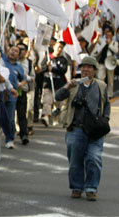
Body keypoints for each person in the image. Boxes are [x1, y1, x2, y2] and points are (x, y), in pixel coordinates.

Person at [55, 56, 110, 201]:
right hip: (76, 127)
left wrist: (105, 120)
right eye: (83, 66)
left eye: (89, 67)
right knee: (75, 161)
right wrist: (67, 87)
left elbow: (107, 105)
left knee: (94, 158)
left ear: (95, 70)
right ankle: (77, 187)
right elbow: (58, 97)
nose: (86, 69)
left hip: (95, 129)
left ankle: (91, 188)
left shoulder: (101, 85)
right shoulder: (74, 84)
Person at [0, 46, 26, 149]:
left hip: (12, 95)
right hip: (1, 93)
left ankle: (10, 139)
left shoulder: (19, 67)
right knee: (0, 117)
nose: (13, 52)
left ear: (18, 55)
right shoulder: (2, 60)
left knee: (10, 118)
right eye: (11, 50)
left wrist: (21, 84)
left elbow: (23, 79)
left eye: (16, 51)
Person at [41, 41, 68, 126]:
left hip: (59, 84)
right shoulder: (48, 57)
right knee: (47, 101)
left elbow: (63, 70)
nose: (59, 49)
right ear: (54, 47)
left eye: (61, 48)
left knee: (58, 103)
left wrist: (52, 69)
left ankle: (56, 118)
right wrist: (47, 67)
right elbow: (41, 69)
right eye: (58, 47)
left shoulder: (63, 60)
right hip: (48, 84)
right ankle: (46, 116)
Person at [90, 26, 118, 98]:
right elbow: (96, 40)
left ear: (112, 35)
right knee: (100, 77)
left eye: (109, 34)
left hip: (110, 62)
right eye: (106, 34)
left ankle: (110, 94)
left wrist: (110, 44)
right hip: (102, 61)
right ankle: (101, 92)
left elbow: (116, 51)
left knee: (110, 79)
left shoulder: (115, 43)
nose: (107, 36)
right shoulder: (102, 40)